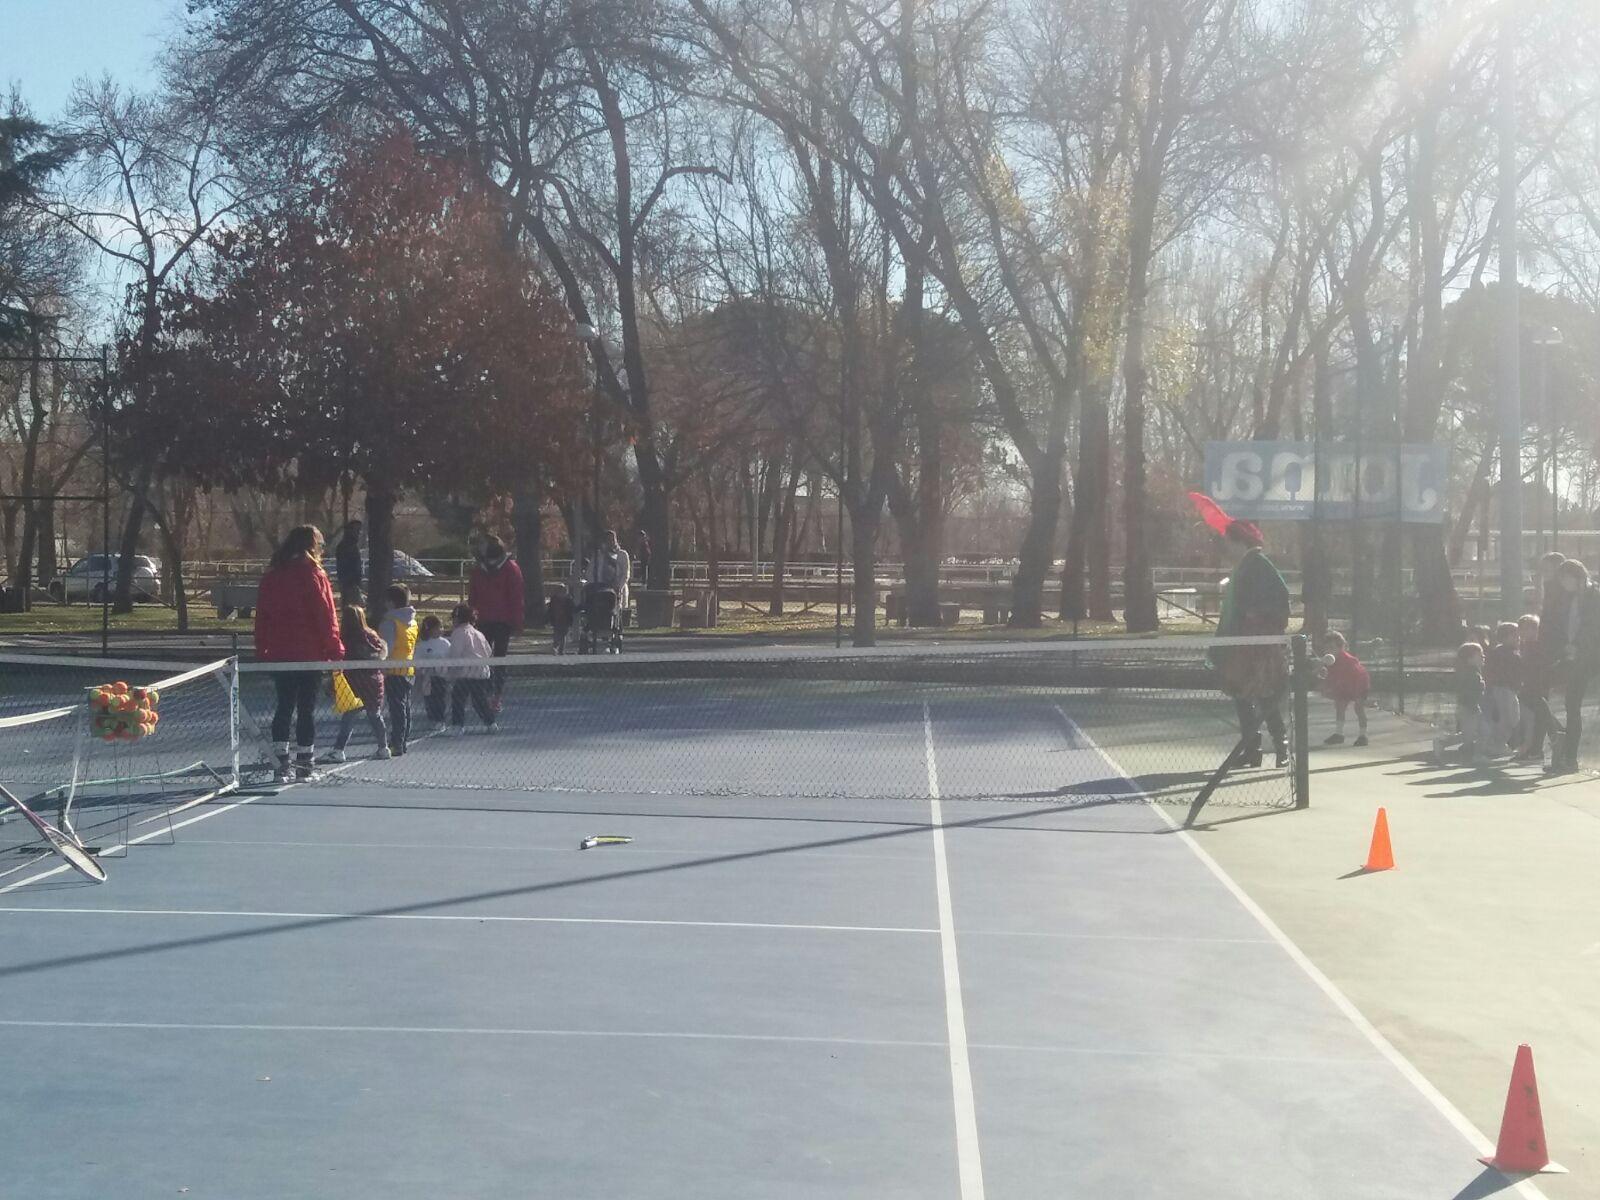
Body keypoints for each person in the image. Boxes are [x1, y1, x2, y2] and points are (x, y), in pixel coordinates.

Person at [255, 526, 343, 782]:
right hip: (309, 654)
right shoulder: (315, 575)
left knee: (284, 706)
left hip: (281, 653)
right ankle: (304, 766)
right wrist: (335, 648)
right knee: (306, 709)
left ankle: (282, 765)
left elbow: (263, 617)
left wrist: (263, 649)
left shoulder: (273, 576)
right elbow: (327, 615)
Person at [1211, 517, 1291, 768]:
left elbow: (1281, 597)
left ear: (1240, 541)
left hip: (1259, 643)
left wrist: (1258, 613)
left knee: (1264, 693)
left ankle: (1282, 746)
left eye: (1229, 541)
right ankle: (1252, 749)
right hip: (1240, 642)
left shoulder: (1259, 564)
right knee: (1241, 694)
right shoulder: (1243, 566)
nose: (1226, 546)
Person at [1544, 557, 1600, 775]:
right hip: (1573, 654)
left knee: (1572, 704)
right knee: (1564, 701)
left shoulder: (1593, 596)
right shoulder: (1571, 598)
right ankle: (1565, 751)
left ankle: (1569, 756)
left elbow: (1591, 627)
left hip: (1587, 656)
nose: (1564, 585)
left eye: (1566, 580)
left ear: (1577, 577)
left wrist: (1576, 646)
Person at [327, 604, 390, 762]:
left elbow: (342, 658)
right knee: (374, 714)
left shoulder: (348, 639)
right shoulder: (373, 636)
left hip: (355, 681)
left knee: (350, 715)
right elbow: (381, 652)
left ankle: (339, 750)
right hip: (374, 680)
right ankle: (383, 747)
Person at [467, 535, 525, 703]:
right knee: (483, 656)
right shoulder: (480, 569)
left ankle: (496, 693)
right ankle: (486, 689)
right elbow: (473, 595)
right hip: (484, 619)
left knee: (499, 657)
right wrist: (471, 618)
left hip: (501, 620)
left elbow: (516, 596)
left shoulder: (509, 568)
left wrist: (517, 622)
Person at [377, 584, 418, 755]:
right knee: (405, 708)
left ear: (391, 602)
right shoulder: (413, 622)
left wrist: (380, 665)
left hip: (393, 670)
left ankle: (397, 743)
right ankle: (403, 740)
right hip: (408, 669)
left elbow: (387, 647)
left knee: (397, 709)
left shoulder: (390, 623)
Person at [447, 603, 498, 734]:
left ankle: (458, 726)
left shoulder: (459, 633)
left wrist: (451, 672)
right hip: (480, 673)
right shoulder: (478, 634)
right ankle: (491, 723)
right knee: (479, 700)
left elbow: (455, 654)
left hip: (465, 674)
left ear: (458, 618)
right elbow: (488, 651)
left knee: (458, 699)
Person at [1515, 614, 1556, 763]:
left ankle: (1538, 748)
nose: (1522, 633)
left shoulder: (1539, 646)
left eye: (1526, 629)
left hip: (1537, 685)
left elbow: (1540, 667)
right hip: (1529, 685)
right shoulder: (1525, 646)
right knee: (1535, 716)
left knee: (1540, 716)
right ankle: (1534, 748)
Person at [1318, 631, 1369, 747]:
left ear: (1341, 648)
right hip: (1345, 685)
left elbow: (1352, 676)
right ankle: (1339, 734)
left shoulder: (1349, 661)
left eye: (1332, 648)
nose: (1329, 651)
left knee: (1359, 709)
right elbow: (1330, 676)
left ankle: (1363, 736)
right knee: (1339, 707)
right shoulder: (1330, 661)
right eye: (1327, 648)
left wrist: (1356, 695)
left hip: (1359, 684)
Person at [1445, 641, 1489, 766]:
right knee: (1469, 735)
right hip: (1469, 709)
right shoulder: (1470, 675)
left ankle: (1477, 754)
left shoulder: (1475, 672)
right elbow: (1467, 693)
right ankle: (1444, 742)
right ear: (1469, 659)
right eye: (1479, 655)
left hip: (1473, 708)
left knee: (1483, 731)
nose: (1483, 657)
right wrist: (1473, 706)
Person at [1483, 621, 1523, 754]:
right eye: (1514, 635)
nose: (1518, 638)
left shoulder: (1513, 654)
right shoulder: (1501, 654)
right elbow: (1491, 672)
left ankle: (1499, 742)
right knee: (1507, 718)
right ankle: (1497, 744)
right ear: (1505, 637)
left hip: (1510, 690)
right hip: (1502, 689)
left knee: (1513, 717)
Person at [415, 614, 452, 731]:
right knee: (429, 699)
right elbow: (417, 659)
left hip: (441, 677)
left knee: (440, 698)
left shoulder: (445, 643)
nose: (440, 630)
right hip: (427, 678)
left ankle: (440, 720)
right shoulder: (423, 644)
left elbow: (450, 658)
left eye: (441, 627)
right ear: (429, 630)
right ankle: (432, 719)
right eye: (437, 628)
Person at [591, 528, 631, 617]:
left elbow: (626, 573)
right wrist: (595, 584)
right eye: (608, 540)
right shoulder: (598, 555)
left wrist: (619, 586)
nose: (611, 542)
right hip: (601, 588)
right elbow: (590, 572)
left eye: (612, 539)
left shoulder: (622, 555)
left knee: (616, 613)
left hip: (617, 588)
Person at [334, 520, 364, 602]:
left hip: (350, 582)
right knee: (352, 605)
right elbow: (345, 566)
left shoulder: (350, 545)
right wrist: (353, 581)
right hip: (350, 584)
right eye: (357, 530)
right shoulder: (347, 546)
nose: (359, 533)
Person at [547, 583, 578, 654]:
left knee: (561, 634)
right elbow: (551, 610)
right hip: (560, 619)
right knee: (561, 634)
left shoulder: (559, 599)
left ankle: (558, 648)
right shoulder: (566, 599)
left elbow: (550, 610)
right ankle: (558, 648)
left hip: (561, 619)